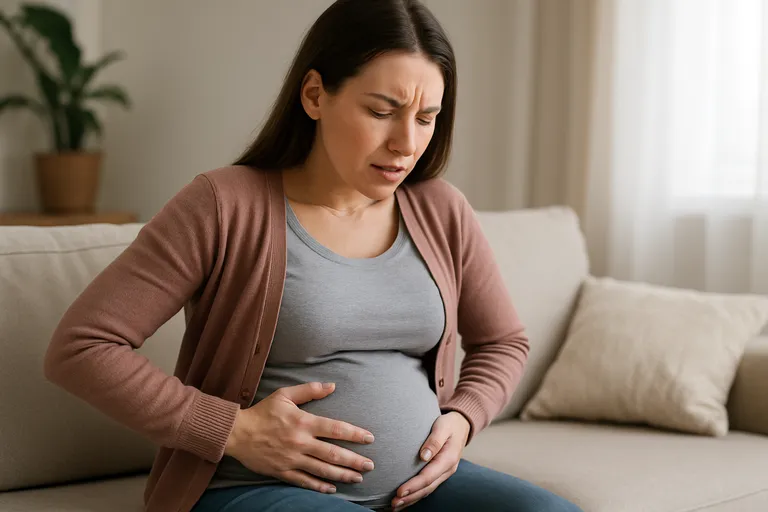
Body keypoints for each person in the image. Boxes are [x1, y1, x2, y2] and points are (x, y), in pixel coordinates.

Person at [43, 0, 583, 511]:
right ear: (315, 96)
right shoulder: (223, 205)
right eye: (382, 111)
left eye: (426, 118)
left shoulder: (441, 209)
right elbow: (82, 346)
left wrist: (463, 418)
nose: (405, 143)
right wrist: (232, 430)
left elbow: (503, 342)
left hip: (418, 491)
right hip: (251, 489)